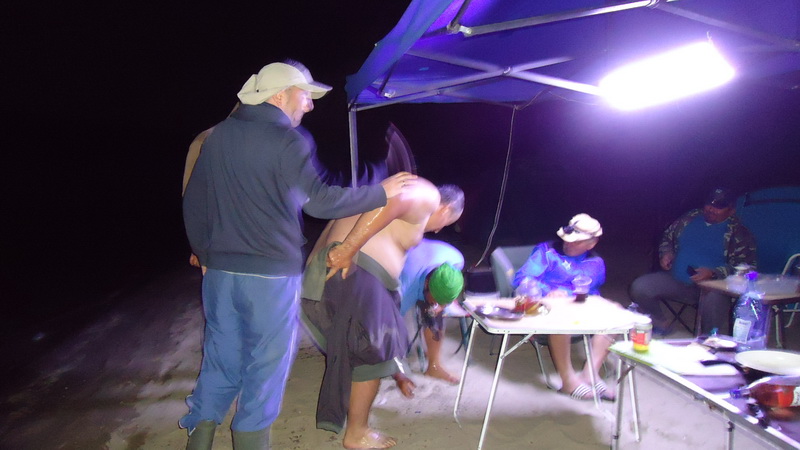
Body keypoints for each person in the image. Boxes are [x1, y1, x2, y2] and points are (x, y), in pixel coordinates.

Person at [181, 60, 416, 450]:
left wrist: (203, 253)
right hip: (270, 278)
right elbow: (319, 201)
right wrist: (381, 192)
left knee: (221, 358)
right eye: (305, 96)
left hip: (220, 274)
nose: (309, 105)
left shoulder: (218, 136)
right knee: (264, 367)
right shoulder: (288, 141)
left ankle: (199, 438)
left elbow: (194, 203)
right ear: (280, 96)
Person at [301, 181, 464, 449]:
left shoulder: (397, 196)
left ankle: (356, 426)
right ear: (445, 210)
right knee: (373, 352)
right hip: (356, 270)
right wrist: (348, 249)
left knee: (363, 350)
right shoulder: (427, 194)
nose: (437, 230)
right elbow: (392, 202)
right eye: (446, 223)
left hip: (337, 273)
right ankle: (357, 433)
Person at [511, 213, 614, 401]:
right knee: (561, 319)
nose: (568, 243)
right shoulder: (546, 251)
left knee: (614, 315)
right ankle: (568, 381)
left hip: (578, 307)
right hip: (540, 304)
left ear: (591, 244)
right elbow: (522, 278)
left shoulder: (595, 263)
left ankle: (590, 373)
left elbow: (588, 290)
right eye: (567, 239)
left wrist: (566, 295)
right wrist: (548, 291)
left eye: (576, 242)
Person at [629, 187, 757, 336]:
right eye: (709, 204)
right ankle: (660, 324)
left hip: (712, 288)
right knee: (640, 287)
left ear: (731, 210)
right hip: (677, 280)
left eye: (719, 207)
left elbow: (746, 267)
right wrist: (666, 253)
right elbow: (667, 237)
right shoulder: (690, 217)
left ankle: (708, 340)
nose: (711, 209)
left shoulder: (739, 233)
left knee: (714, 300)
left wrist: (714, 273)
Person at [399, 239, 465, 384]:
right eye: (436, 300)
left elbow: (447, 293)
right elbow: (390, 323)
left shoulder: (457, 261)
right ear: (427, 284)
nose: (439, 305)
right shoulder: (405, 287)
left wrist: (442, 306)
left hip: (431, 258)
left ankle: (434, 366)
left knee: (434, 314)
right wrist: (397, 372)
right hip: (403, 261)